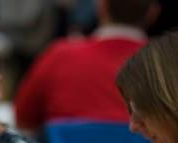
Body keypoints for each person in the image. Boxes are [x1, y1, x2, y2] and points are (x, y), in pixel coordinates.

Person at [14, 0, 159, 133]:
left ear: (100, 6)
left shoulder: (59, 55)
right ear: (153, 12)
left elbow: (23, 118)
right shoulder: (166, 64)